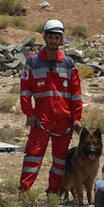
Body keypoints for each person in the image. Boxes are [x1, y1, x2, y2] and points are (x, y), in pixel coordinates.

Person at [19, 19, 83, 195]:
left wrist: (77, 118)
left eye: (57, 37)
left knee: (60, 161)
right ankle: (24, 192)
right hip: (40, 120)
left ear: (61, 39)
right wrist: (29, 114)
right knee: (33, 157)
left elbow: (76, 94)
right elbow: (25, 91)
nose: (53, 41)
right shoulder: (32, 62)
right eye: (50, 37)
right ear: (44, 37)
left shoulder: (69, 64)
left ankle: (54, 193)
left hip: (64, 121)